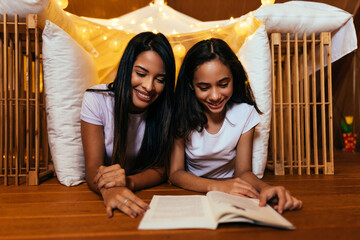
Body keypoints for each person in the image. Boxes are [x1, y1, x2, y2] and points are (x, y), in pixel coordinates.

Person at [170, 38, 302, 213]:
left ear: (234, 78)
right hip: (191, 192)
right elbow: (175, 173)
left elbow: (243, 172)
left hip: (233, 192)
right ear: (191, 85)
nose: (215, 96)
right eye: (204, 87)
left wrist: (265, 188)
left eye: (223, 84)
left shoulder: (245, 114)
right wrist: (218, 186)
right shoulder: (180, 114)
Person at [81, 32, 175, 218]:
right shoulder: (96, 99)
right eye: (141, 73)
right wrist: (108, 191)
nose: (149, 86)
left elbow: (161, 169)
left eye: (160, 79)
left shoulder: (166, 109)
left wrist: (128, 183)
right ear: (126, 68)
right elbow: (93, 167)